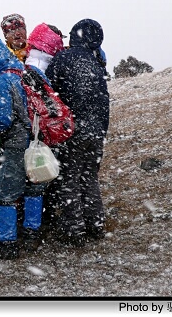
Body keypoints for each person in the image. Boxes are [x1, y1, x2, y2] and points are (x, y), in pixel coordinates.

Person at [0, 36, 46, 259]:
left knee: (4, 193)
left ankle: (7, 244)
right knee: (34, 186)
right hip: (39, 140)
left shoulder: (5, 79)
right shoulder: (29, 71)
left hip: (16, 143)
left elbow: (2, 120)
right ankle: (32, 235)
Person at [44, 19, 110, 247]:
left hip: (73, 130)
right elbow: (104, 102)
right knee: (90, 177)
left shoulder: (62, 59)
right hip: (96, 131)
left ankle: (74, 231)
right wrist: (101, 130)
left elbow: (49, 91)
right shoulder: (95, 63)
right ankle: (96, 224)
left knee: (69, 178)